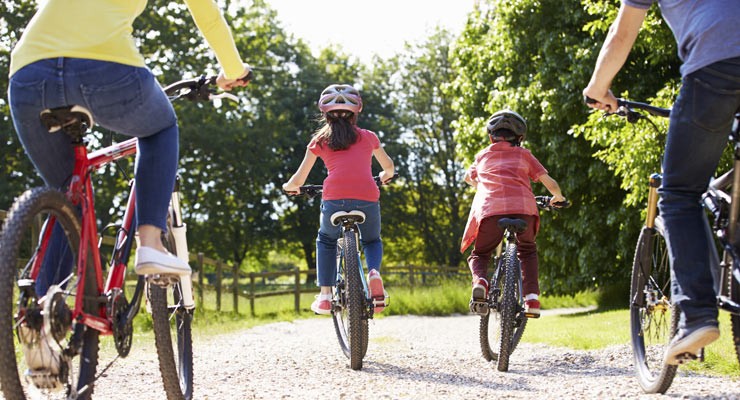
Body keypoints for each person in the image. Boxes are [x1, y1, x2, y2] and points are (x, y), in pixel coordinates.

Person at [7, 0, 252, 289]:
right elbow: (207, 16)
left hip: (28, 75)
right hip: (104, 67)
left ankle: (45, 312)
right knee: (161, 127)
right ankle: (150, 244)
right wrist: (233, 70)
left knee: (69, 194)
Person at [582, 0, 740, 365]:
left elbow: (622, 35)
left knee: (680, 194)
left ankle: (697, 314)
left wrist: (598, 88)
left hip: (716, 65)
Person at [283, 84, 395, 315]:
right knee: (372, 240)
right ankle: (374, 272)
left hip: (334, 198)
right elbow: (389, 167)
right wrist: (385, 176)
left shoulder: (320, 141)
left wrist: (290, 187)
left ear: (325, 113)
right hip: (367, 196)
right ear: (356, 112)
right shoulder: (368, 137)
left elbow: (299, 178)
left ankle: (325, 296)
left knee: (326, 240)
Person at [460, 110, 565, 318]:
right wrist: (558, 197)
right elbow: (549, 182)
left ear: (491, 137)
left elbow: (467, 177)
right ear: (520, 138)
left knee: (480, 254)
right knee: (527, 251)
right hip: (524, 210)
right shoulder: (524, 154)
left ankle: (481, 281)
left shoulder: (482, 155)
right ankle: (532, 298)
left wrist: (482, 185)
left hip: (490, 212)